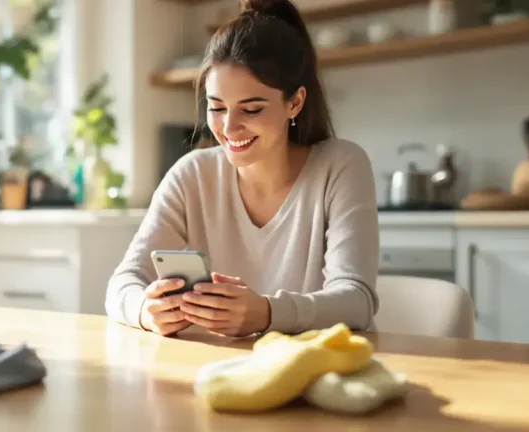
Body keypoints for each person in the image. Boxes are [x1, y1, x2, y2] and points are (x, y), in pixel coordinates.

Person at [104, 0, 379, 337]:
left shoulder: (340, 166)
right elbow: (123, 282)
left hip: (319, 370)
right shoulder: (192, 175)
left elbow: (357, 301)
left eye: (250, 110)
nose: (229, 128)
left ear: (294, 102)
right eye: (217, 107)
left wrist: (265, 313)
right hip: (223, 373)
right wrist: (146, 311)